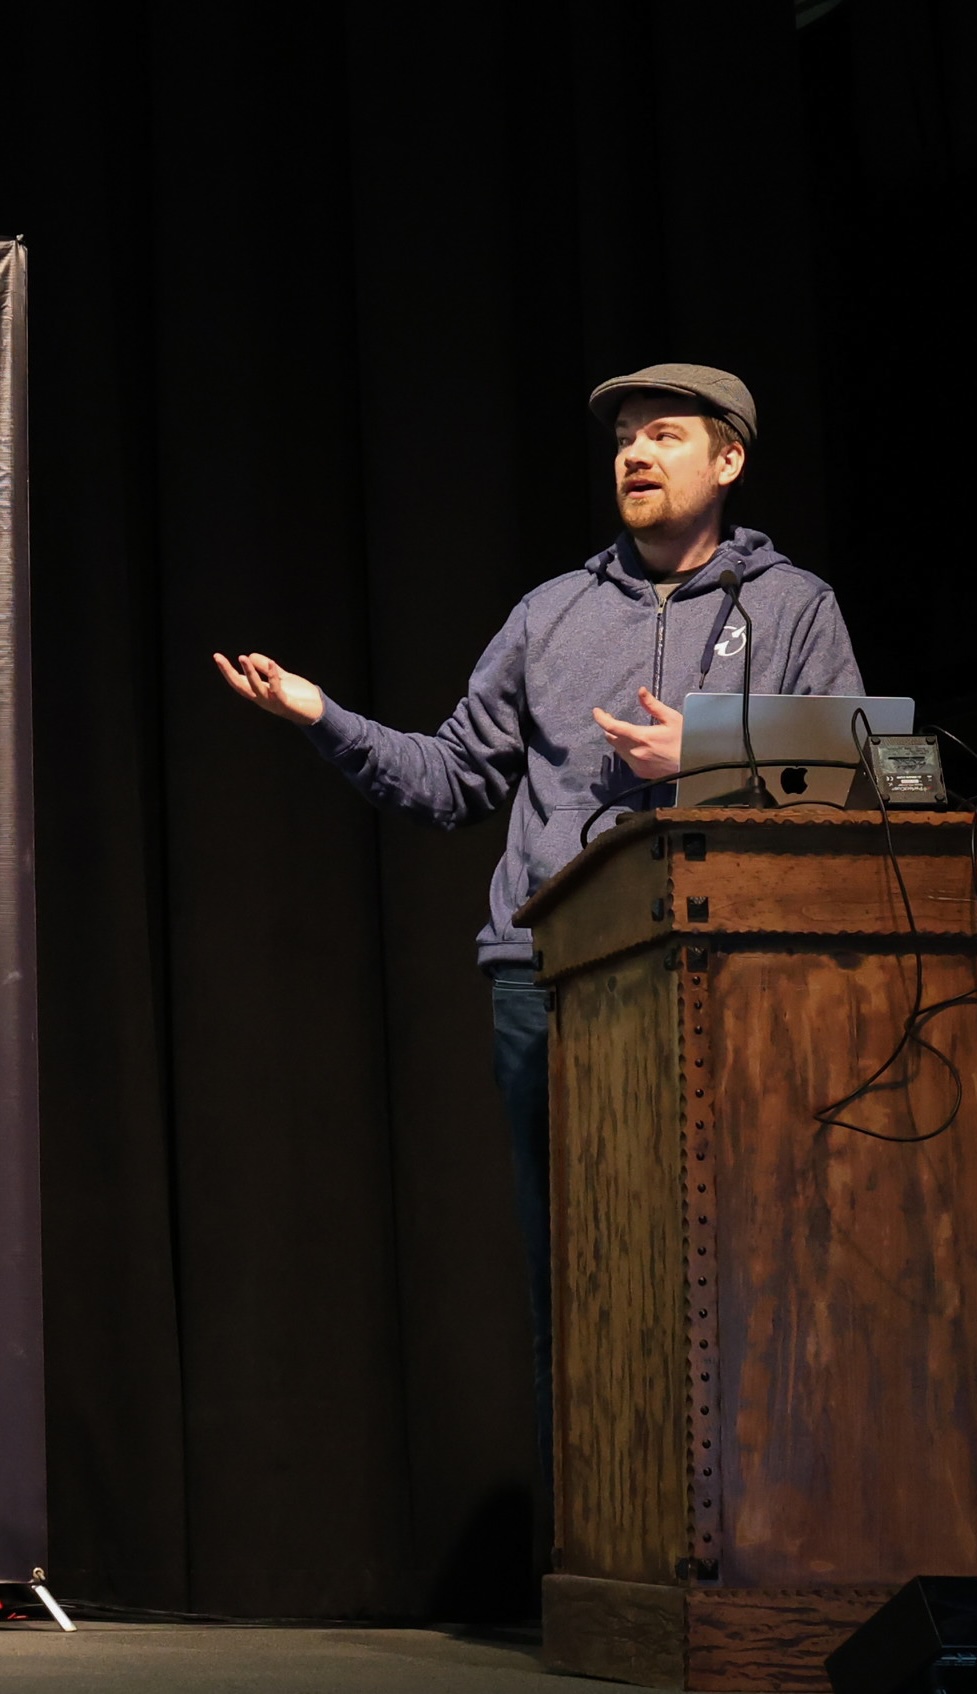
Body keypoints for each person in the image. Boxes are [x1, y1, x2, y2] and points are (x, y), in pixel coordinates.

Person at [213, 362, 864, 1489]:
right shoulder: (550, 613)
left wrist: (706, 755)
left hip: (736, 970)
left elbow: (865, 769)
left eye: (663, 433)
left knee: (736, 1264)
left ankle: (739, 1541)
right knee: (574, 1272)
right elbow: (451, 778)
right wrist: (323, 716)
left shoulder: (794, 605)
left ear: (730, 459)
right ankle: (586, 1556)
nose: (634, 453)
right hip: (550, 973)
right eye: (622, 436)